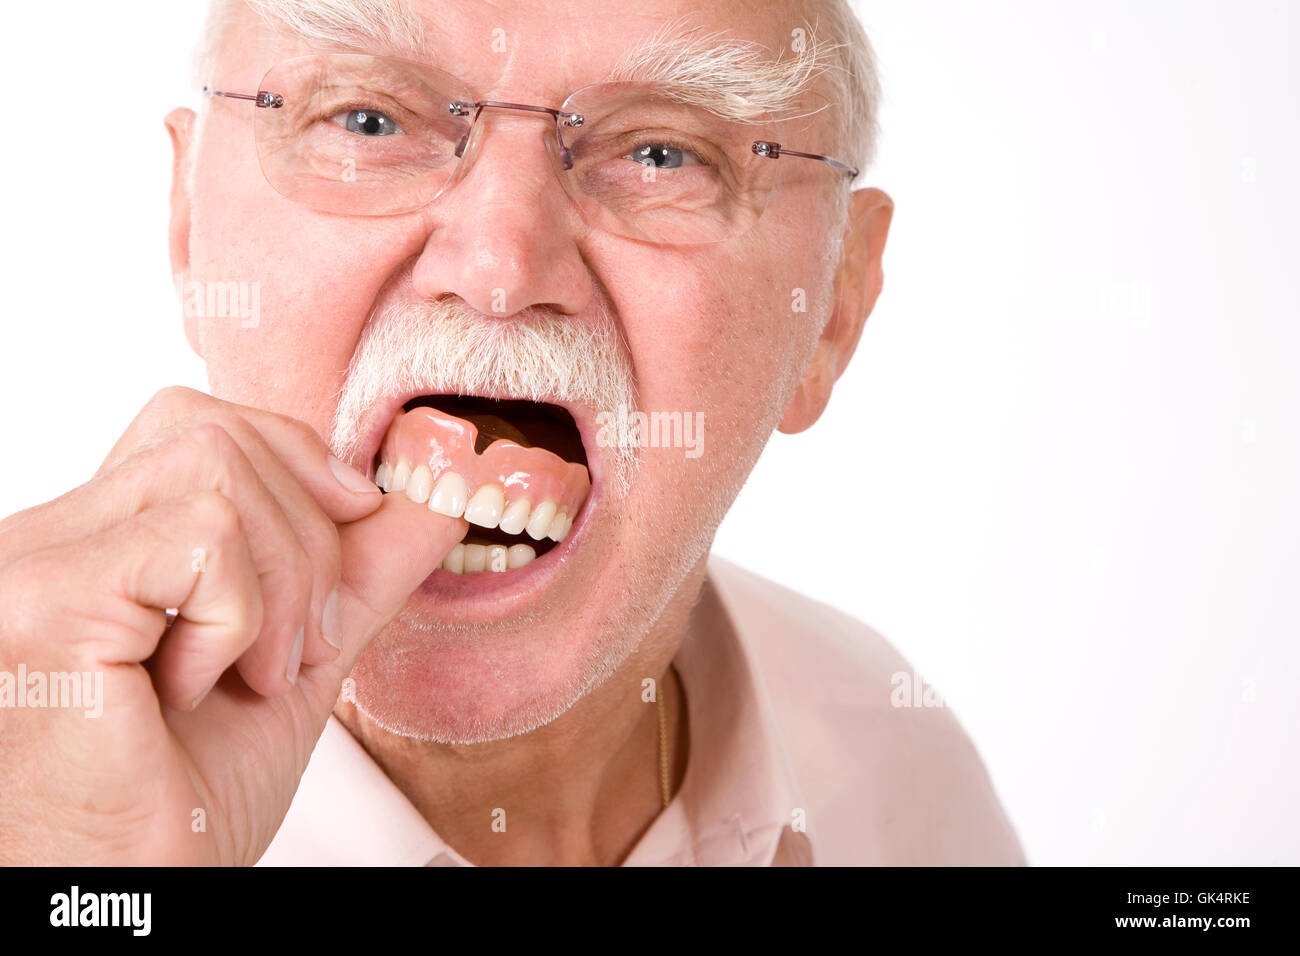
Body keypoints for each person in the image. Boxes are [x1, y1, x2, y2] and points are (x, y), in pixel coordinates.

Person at [0, 0, 1024, 866]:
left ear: (834, 307)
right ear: (187, 226)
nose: (498, 269)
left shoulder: (893, 765)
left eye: (662, 152)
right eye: (364, 121)